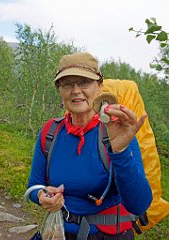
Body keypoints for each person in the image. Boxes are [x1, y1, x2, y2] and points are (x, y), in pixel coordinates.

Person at [27, 52, 152, 240]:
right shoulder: (51, 131)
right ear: (60, 90)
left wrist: (120, 151)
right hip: (58, 232)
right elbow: (33, 186)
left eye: (84, 82)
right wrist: (40, 196)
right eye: (67, 84)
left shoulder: (115, 132)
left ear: (100, 87)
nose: (76, 90)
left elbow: (139, 205)